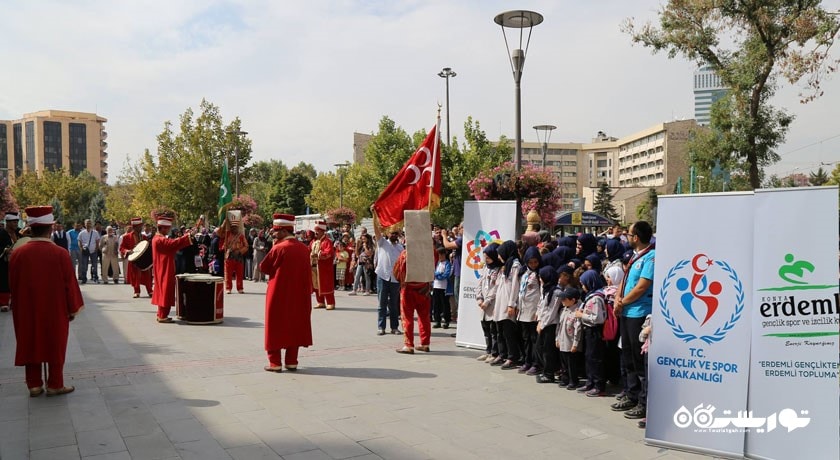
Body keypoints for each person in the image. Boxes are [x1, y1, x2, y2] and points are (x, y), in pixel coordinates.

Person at [10, 206, 84, 397]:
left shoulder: (18, 254)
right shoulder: (60, 254)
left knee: (30, 339)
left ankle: (34, 384)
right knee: (55, 343)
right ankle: (55, 384)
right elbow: (70, 285)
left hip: (26, 308)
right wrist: (72, 309)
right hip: (55, 309)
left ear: (30, 228)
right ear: (51, 227)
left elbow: (13, 284)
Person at [611, 221, 655, 421]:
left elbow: (642, 286)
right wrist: (618, 299)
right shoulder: (635, 257)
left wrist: (623, 302)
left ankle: (643, 402)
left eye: (629, 234)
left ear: (636, 237)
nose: (627, 237)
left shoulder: (651, 256)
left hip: (639, 313)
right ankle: (631, 393)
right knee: (627, 355)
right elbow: (625, 281)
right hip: (627, 312)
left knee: (638, 360)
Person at [260, 214, 313, 372]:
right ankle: (291, 361)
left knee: (275, 325)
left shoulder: (279, 248)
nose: (273, 234)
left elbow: (264, 268)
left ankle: (275, 362)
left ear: (283, 231)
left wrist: (273, 246)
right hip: (299, 294)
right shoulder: (304, 248)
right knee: (295, 325)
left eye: (276, 231)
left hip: (278, 293)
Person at [151, 215, 193, 323]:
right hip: (164, 268)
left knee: (163, 290)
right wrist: (186, 236)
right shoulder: (159, 240)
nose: (169, 230)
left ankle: (161, 314)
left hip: (163, 267)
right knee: (165, 290)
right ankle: (162, 315)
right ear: (163, 228)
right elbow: (172, 244)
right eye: (167, 228)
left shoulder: (157, 239)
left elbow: (172, 245)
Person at [393, 247, 432, 354]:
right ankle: (425, 343)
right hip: (424, 288)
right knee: (424, 317)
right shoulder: (428, 253)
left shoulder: (405, 254)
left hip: (408, 289)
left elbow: (398, 271)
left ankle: (408, 345)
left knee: (407, 317)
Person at [576, 269, 608, 397]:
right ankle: (590, 381)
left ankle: (599, 385)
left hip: (595, 331)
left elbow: (598, 318)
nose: (582, 287)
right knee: (589, 357)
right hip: (589, 330)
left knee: (595, 358)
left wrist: (581, 315)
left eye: (583, 284)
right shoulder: (590, 296)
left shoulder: (596, 299)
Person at [492, 240, 523, 370]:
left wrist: (512, 304)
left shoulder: (515, 265)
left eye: (500, 254)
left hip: (508, 302)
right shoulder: (505, 266)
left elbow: (515, 286)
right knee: (500, 330)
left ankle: (512, 357)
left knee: (509, 331)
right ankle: (502, 353)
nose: (499, 257)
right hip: (500, 301)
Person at [372, 221, 403, 335]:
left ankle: (394, 327)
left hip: (395, 279)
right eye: (392, 233)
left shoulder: (400, 247)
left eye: (395, 233)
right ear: (387, 233)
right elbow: (376, 231)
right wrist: (374, 216)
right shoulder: (382, 243)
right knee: (382, 303)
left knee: (394, 304)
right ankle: (381, 327)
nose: (393, 235)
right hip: (383, 276)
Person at [517, 246, 542, 375]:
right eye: (530, 262)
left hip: (534, 311)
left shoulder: (540, 274)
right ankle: (527, 361)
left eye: (535, 262)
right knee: (525, 338)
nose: (533, 265)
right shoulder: (523, 273)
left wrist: (539, 311)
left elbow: (542, 294)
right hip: (523, 310)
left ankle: (536, 363)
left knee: (534, 339)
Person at [535, 266, 562, 383]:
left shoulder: (556, 292)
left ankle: (549, 373)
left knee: (548, 350)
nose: (540, 279)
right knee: (540, 348)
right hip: (544, 323)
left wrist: (542, 324)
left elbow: (552, 311)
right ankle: (547, 370)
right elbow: (542, 306)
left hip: (551, 324)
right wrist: (539, 318)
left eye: (541, 277)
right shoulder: (546, 289)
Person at [475, 243, 502, 363]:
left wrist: (487, 301)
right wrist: (479, 298)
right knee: (485, 329)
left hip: (492, 305)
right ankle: (488, 350)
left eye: (488, 257)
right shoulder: (485, 268)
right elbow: (479, 283)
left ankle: (494, 352)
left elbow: (495, 288)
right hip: (483, 305)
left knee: (493, 331)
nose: (486, 259)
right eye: (485, 257)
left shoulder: (499, 269)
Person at [556, 287, 583, 390]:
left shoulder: (576, 312)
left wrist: (575, 344)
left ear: (573, 300)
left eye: (565, 299)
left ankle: (573, 381)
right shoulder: (563, 310)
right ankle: (565, 378)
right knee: (564, 363)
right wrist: (557, 339)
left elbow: (578, 329)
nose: (562, 301)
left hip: (571, 343)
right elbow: (559, 326)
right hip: (562, 341)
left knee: (572, 364)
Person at [119, 217, 153, 298]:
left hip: (143, 259)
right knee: (136, 275)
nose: (140, 228)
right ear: (134, 227)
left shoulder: (144, 237)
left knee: (147, 275)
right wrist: (127, 251)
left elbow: (147, 246)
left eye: (140, 226)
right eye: (138, 227)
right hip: (134, 259)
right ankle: (136, 291)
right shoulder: (126, 237)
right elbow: (122, 248)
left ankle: (150, 291)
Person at [310, 221, 336, 309]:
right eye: (315, 230)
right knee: (316, 284)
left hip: (324, 267)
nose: (316, 232)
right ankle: (320, 302)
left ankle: (330, 303)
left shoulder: (327, 241)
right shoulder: (314, 241)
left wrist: (317, 255)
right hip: (315, 266)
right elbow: (309, 250)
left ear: (322, 231)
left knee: (326, 284)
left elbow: (329, 253)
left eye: (318, 230)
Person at [220, 218, 248, 294]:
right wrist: (224, 223)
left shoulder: (241, 236)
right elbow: (220, 234)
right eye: (232, 227)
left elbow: (246, 246)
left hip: (238, 256)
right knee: (228, 273)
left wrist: (240, 251)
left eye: (235, 227)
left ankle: (240, 288)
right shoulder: (227, 234)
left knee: (239, 273)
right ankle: (228, 288)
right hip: (229, 256)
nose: (234, 229)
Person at [0, 212, 22, 312]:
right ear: (7, 222)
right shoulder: (1, 233)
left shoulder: (19, 232)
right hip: (4, 262)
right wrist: (5, 250)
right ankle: (3, 303)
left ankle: (15, 302)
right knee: (4, 281)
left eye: (17, 221)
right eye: (14, 222)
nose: (16, 224)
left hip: (17, 262)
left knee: (17, 282)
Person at [431, 247, 452, 329]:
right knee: (436, 305)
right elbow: (434, 272)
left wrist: (437, 275)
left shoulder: (447, 263)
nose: (439, 256)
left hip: (444, 287)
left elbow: (446, 274)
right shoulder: (437, 263)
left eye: (441, 254)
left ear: (444, 254)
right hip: (436, 286)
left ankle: (447, 321)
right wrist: (438, 274)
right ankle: (437, 320)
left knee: (445, 305)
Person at [78, 219, 101, 284]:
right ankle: (84, 278)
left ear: (91, 224)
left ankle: (95, 277)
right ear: (84, 224)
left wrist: (96, 248)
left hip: (93, 251)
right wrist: (81, 248)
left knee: (94, 265)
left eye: (89, 223)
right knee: (84, 265)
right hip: (85, 251)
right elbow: (79, 241)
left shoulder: (95, 232)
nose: (88, 224)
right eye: (87, 223)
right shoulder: (82, 233)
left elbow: (97, 241)